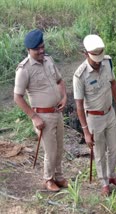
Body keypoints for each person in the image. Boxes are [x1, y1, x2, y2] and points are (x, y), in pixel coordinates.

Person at [14, 29, 68, 192]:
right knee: (50, 150)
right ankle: (48, 179)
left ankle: (58, 176)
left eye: (42, 47)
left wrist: (64, 96)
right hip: (42, 116)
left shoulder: (49, 61)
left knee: (59, 147)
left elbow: (59, 81)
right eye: (37, 49)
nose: (41, 51)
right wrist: (34, 117)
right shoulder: (24, 69)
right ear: (28, 50)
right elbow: (18, 97)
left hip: (56, 112)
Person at [73, 34, 116, 196]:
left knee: (114, 147)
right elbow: (79, 106)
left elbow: (113, 84)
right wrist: (86, 131)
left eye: (100, 58)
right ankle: (104, 183)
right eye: (95, 59)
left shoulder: (107, 61)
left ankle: (112, 176)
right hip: (94, 118)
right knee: (99, 152)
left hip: (109, 113)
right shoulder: (79, 76)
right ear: (85, 54)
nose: (98, 63)